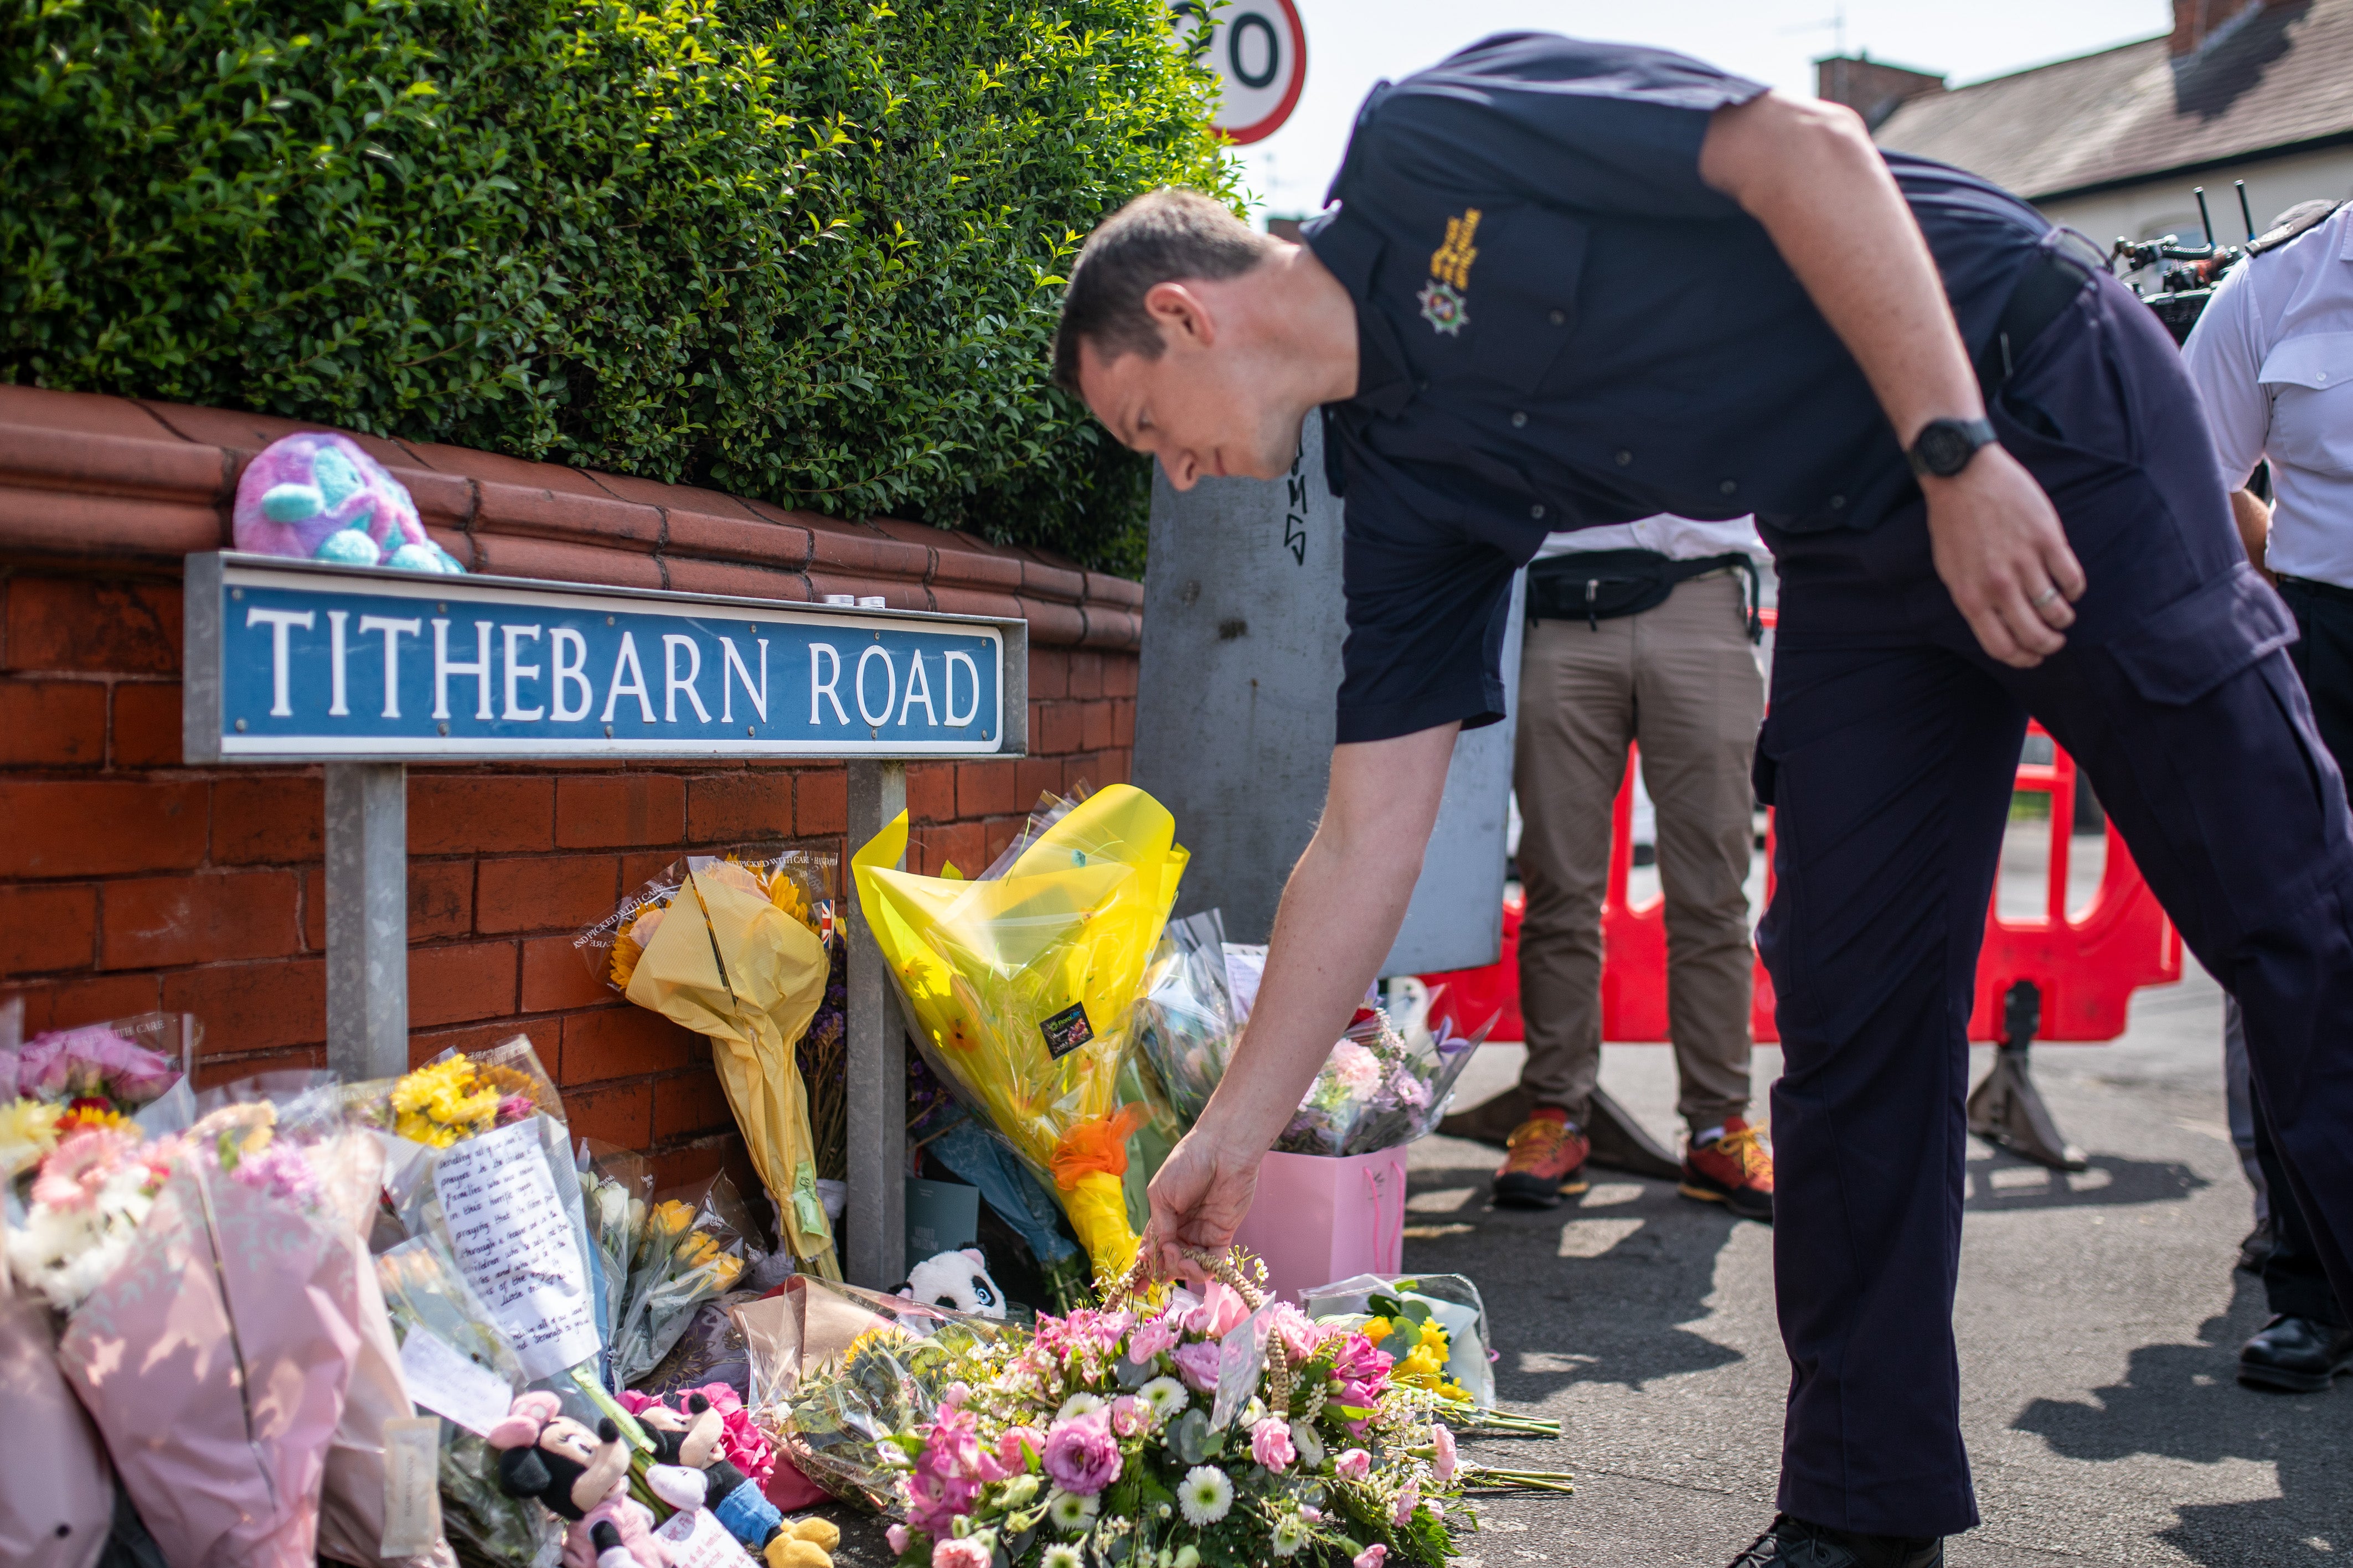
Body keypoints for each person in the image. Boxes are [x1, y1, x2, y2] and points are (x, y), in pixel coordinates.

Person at [1052, 34, 2353, 1567]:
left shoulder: (1431, 140)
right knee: (1853, 1014)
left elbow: (1806, 150)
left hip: (2020, 394)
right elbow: (1366, 836)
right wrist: (1234, 1136)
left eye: (1147, 426)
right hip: (1851, 538)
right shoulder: (1395, 490)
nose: (1179, 479)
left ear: (1183, 312)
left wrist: (1957, 453)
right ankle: (1860, 1517)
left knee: (2288, 906)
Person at [2181, 195, 2353, 1395]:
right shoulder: (2280, 286)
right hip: (2319, 636)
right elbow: (2178, 471)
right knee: (2311, 968)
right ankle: (2313, 1281)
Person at [1493, 516, 1774, 1218]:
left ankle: (1718, 1124)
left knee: (1713, 893)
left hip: (1703, 594)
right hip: (1559, 596)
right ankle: (1554, 1113)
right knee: (1557, 884)